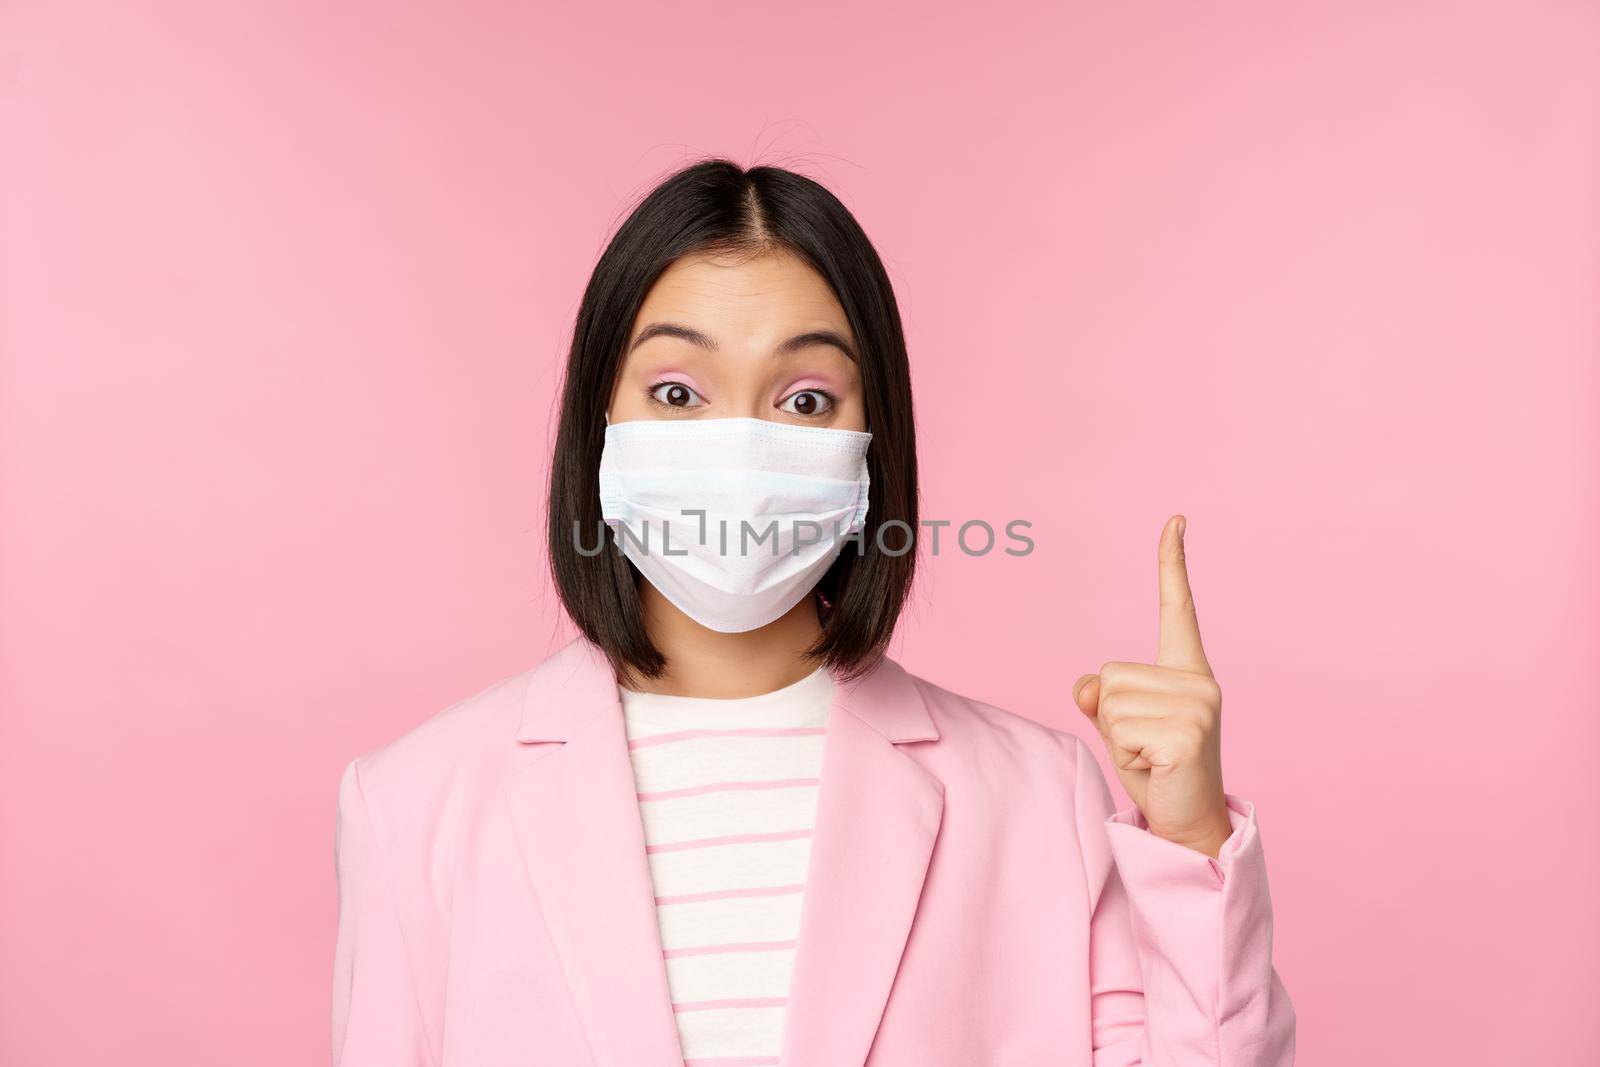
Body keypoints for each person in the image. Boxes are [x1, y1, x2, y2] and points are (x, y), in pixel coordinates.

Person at [330, 159, 1296, 1066]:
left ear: (873, 443)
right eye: (677, 392)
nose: (741, 448)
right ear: (601, 425)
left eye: (803, 399)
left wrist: (1191, 839)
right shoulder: (414, 803)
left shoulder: (1041, 801)